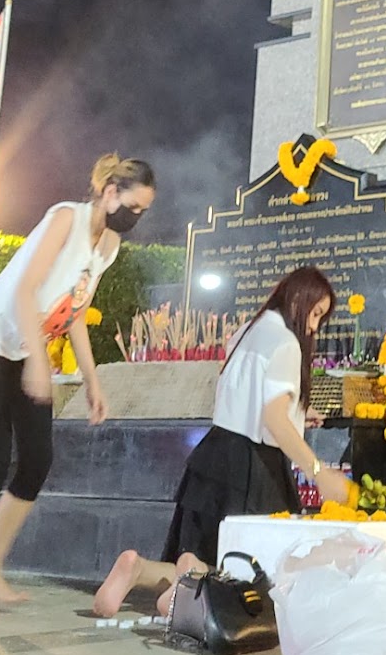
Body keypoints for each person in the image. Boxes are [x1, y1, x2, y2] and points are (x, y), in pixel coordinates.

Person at [0, 153, 156, 625]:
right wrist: (39, 362)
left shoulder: (108, 246)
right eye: (134, 206)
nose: (136, 217)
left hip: (28, 349)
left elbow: (76, 311)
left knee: (37, 460)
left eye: (144, 211)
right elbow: (24, 292)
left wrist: (92, 381)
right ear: (109, 192)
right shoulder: (66, 219)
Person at [93, 265, 352, 618]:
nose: (314, 326)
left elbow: (242, 393)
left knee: (206, 555)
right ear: (298, 300)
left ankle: (138, 569)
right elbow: (273, 419)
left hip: (214, 453)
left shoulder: (248, 331)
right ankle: (186, 594)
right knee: (250, 570)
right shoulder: (286, 343)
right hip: (253, 467)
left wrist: (297, 413)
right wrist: (320, 472)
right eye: (315, 313)